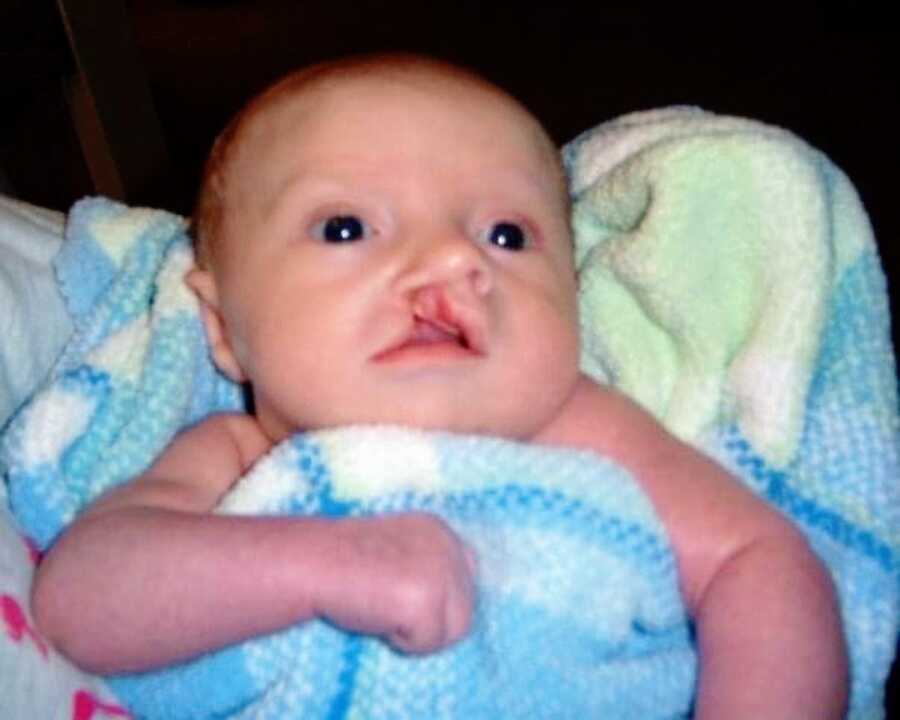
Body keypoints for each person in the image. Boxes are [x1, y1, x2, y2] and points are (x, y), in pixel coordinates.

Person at [31, 53, 848, 718]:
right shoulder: (232, 455)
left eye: (506, 233)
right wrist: (325, 564)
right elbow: (85, 594)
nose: (452, 260)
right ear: (221, 330)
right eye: (346, 227)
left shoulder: (579, 427)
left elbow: (757, 557)